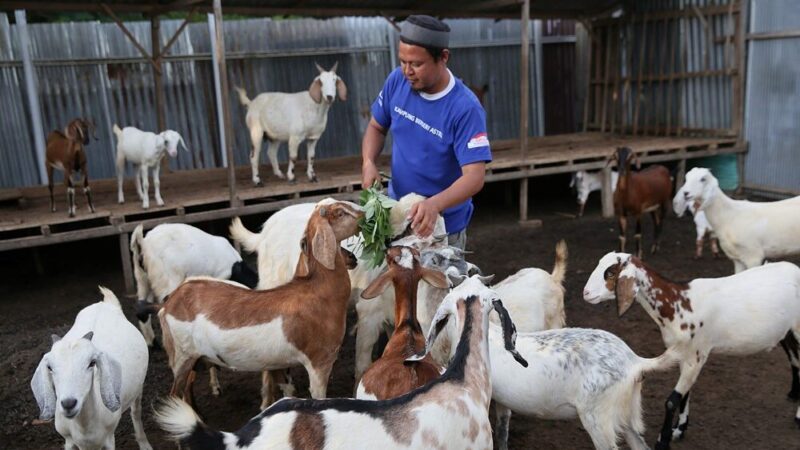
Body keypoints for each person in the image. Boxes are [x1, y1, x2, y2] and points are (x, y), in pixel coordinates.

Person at [361, 15, 491, 250]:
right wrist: (368, 161)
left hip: (441, 228)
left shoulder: (465, 108)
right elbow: (376, 126)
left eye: (417, 64)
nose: (407, 71)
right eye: (402, 61)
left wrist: (435, 204)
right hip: (398, 216)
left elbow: (474, 176)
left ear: (443, 57)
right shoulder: (396, 81)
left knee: (440, 286)